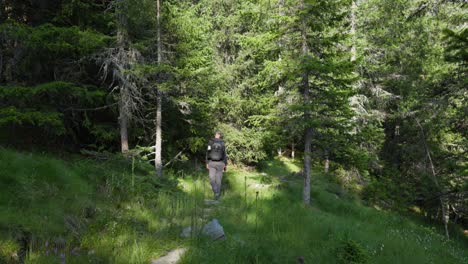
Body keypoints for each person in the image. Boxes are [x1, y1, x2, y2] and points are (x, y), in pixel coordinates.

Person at [205, 131, 228, 200]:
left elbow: (208, 152)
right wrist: (225, 164)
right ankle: (217, 193)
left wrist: (207, 162)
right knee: (218, 179)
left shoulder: (210, 142)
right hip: (221, 163)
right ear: (220, 136)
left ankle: (216, 191)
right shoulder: (223, 143)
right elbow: (224, 154)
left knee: (211, 178)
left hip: (212, 162)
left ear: (215, 135)